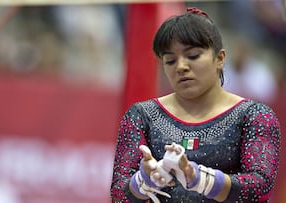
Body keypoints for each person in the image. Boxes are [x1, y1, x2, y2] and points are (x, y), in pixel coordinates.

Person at [110, 7, 280, 203]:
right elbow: (118, 194)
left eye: (193, 56)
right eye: (170, 60)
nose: (181, 67)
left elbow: (260, 187)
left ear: (220, 58)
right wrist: (144, 181)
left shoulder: (255, 116)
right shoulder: (142, 115)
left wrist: (198, 178)